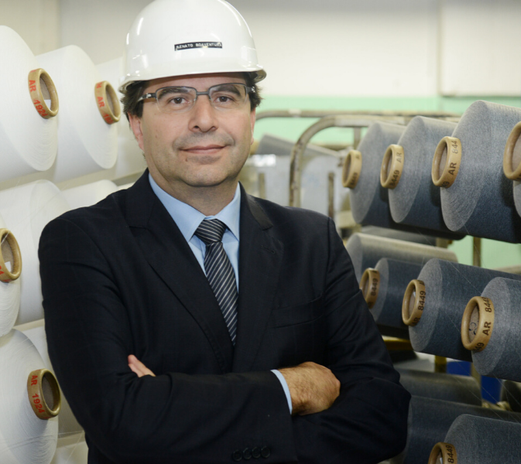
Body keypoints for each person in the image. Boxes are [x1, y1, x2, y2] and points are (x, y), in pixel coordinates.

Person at [39, 0, 410, 462]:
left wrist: (175, 405)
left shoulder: (311, 241)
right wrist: (291, 387)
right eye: (175, 98)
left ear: (251, 116)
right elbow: (122, 421)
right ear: (136, 124)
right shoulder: (82, 243)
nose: (204, 119)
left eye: (225, 95)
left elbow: (384, 415)